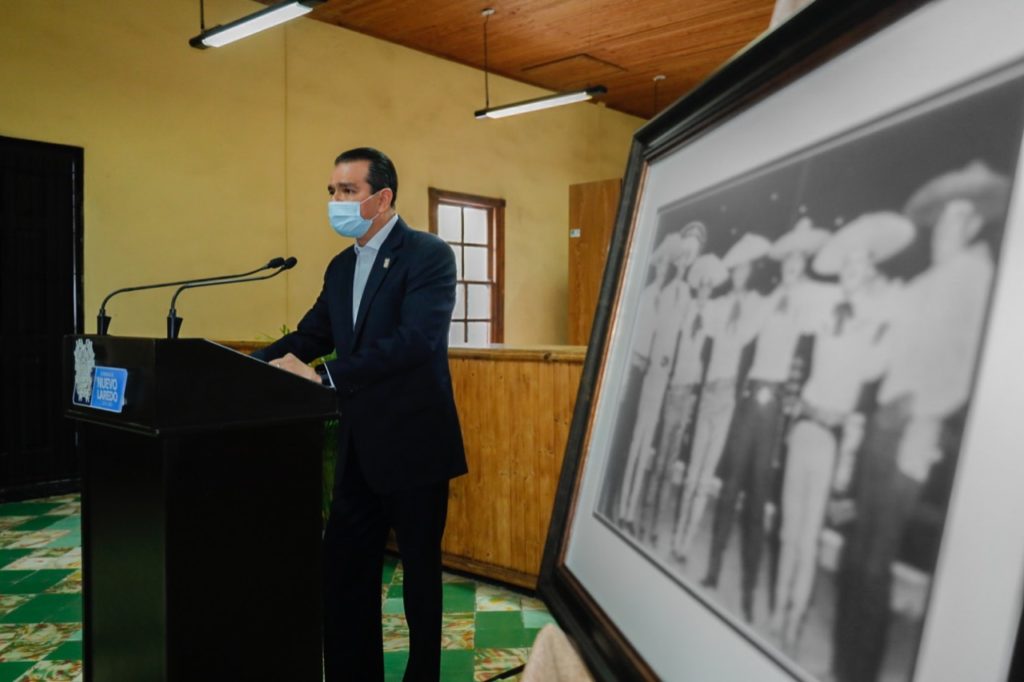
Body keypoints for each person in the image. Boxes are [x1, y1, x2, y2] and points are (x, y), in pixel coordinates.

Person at [253, 148, 467, 682]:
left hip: (416, 445)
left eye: (347, 191)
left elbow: (415, 342)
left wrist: (325, 377)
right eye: (332, 191)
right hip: (358, 449)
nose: (336, 201)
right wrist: (242, 366)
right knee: (345, 573)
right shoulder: (342, 264)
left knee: (419, 577)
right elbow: (310, 336)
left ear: (382, 197)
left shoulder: (428, 254)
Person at [831, 162, 1008, 682]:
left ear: (974, 224)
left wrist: (919, 407)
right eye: (941, 223)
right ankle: (843, 666)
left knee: (875, 559)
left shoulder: (977, 277)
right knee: (858, 551)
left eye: (956, 221)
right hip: (884, 426)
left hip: (913, 431)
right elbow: (877, 356)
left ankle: (858, 672)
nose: (943, 232)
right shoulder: (926, 282)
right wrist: (859, 294)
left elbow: (965, 373)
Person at [770, 212, 915, 656]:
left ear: (870, 271)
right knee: (789, 528)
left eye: (860, 267)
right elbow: (798, 294)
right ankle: (777, 609)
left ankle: (794, 618)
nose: (851, 274)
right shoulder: (824, 308)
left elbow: (879, 361)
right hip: (804, 429)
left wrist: (882, 315)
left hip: (834, 438)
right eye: (846, 267)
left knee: (811, 533)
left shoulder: (876, 323)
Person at [701, 217, 829, 622]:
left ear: (804, 264)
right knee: (730, 489)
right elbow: (742, 335)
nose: (791, 267)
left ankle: (749, 590)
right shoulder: (769, 300)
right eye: (787, 261)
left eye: (798, 261)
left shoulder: (808, 303)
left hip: (773, 406)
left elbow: (821, 315)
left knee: (757, 500)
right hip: (748, 398)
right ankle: (713, 569)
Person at [674, 232, 769, 562]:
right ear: (733, 274)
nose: (741, 275)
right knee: (692, 471)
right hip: (708, 393)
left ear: (751, 273)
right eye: (737, 270)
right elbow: (698, 310)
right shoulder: (717, 306)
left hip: (729, 396)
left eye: (746, 270)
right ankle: (677, 535)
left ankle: (686, 542)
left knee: (705, 475)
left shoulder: (755, 306)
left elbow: (760, 322)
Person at [617, 222, 706, 533]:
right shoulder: (661, 293)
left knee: (648, 447)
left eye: (688, 257)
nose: (682, 263)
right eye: (680, 257)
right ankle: (623, 507)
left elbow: (690, 342)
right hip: (650, 375)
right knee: (637, 441)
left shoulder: (690, 300)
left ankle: (631, 510)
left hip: (669, 384)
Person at [640, 252, 726, 544]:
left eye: (709, 287)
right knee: (661, 460)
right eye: (701, 285)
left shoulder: (712, 318)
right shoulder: (686, 310)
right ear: (696, 286)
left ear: (712, 290)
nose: (704, 290)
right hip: (674, 390)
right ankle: (644, 516)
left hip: (691, 396)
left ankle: (654, 527)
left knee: (672, 464)